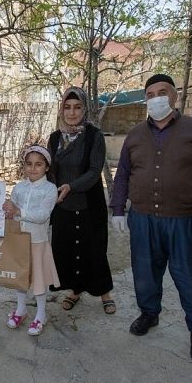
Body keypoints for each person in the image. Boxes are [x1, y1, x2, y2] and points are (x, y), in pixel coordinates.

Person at [109, 73, 192, 364]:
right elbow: (123, 174)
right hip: (143, 220)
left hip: (185, 221)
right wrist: (118, 209)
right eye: (149, 95)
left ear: (174, 96)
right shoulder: (135, 135)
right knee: (145, 273)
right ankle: (149, 313)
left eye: (162, 92)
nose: (156, 99)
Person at [47, 86, 116, 314]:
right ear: (61, 109)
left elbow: (95, 171)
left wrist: (71, 186)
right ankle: (75, 291)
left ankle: (104, 292)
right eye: (67, 107)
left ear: (84, 109)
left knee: (94, 250)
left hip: (89, 204)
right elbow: (51, 171)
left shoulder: (94, 136)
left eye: (77, 107)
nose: (71, 112)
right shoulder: (55, 138)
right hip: (63, 206)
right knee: (68, 251)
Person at [2, 145, 60, 336]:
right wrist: (8, 212)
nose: (33, 168)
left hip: (37, 242)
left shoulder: (50, 189)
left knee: (39, 280)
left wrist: (19, 211)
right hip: (19, 241)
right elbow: (13, 213)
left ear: (47, 167)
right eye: (29, 164)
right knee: (20, 278)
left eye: (38, 164)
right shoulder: (19, 187)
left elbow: (42, 215)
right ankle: (21, 310)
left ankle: (41, 315)